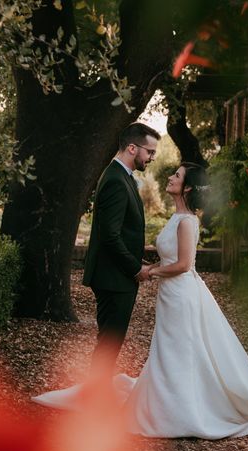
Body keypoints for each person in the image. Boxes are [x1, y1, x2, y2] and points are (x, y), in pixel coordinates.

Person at [34, 162, 248, 439]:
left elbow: (184, 264)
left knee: (179, 349)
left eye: (177, 175)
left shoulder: (188, 222)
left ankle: (182, 412)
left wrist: (150, 271)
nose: (170, 177)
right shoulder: (178, 217)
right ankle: (167, 404)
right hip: (172, 294)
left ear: (188, 187)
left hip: (181, 293)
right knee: (171, 349)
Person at [81, 122, 160, 380]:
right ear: (131, 148)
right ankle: (95, 398)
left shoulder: (122, 176)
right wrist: (135, 268)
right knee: (109, 344)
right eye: (149, 152)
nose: (152, 158)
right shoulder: (115, 180)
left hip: (115, 276)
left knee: (109, 343)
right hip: (114, 278)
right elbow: (110, 236)